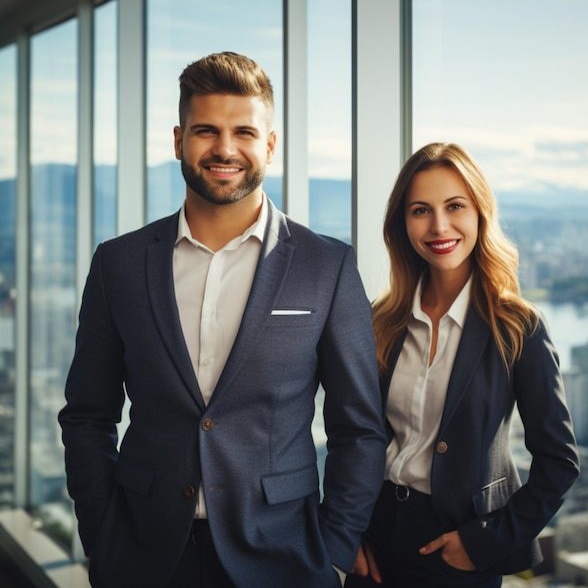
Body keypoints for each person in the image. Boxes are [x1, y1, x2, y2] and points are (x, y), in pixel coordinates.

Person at [58, 51, 387, 588]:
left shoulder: (326, 266)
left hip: (284, 556)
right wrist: (102, 533)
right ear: (178, 140)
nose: (225, 149)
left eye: (244, 132)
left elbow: (361, 428)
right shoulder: (119, 263)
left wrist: (333, 548)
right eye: (206, 130)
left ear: (271, 145)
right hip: (142, 555)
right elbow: (87, 416)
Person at [347, 143, 580, 588]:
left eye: (455, 206)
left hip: (458, 544)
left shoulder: (517, 326)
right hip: (374, 534)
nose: (439, 226)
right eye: (420, 210)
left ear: (479, 214)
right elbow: (356, 436)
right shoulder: (382, 321)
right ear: (403, 223)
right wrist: (347, 529)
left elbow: (560, 461)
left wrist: (485, 542)